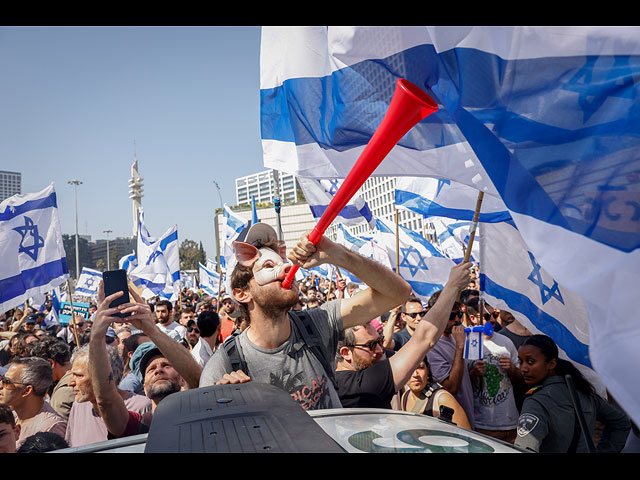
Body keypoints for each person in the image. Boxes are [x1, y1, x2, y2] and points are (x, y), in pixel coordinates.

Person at [200, 223, 412, 411]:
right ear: (241, 294)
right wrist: (224, 406)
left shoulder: (318, 323)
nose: (285, 269)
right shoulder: (224, 365)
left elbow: (397, 293)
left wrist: (339, 255)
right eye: (267, 266)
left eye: (281, 261)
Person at [335, 263, 471, 410]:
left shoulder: (335, 372)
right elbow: (424, 338)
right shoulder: (360, 385)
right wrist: (452, 286)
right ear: (346, 353)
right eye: (371, 345)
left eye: (379, 341)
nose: (380, 350)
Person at [86, 281, 202, 439]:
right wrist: (97, 336)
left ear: (182, 379)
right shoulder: (136, 426)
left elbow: (196, 378)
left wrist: (151, 329)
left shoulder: (198, 410)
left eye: (166, 365)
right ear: (144, 388)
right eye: (150, 370)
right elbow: (106, 401)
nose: (158, 370)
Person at [514, 334, 631, 453]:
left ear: (552, 364)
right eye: (520, 361)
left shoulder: (536, 401)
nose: (523, 368)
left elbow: (523, 449)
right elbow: (622, 423)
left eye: (530, 361)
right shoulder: (582, 391)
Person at [64, 343, 151, 447]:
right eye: (72, 375)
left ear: (105, 377)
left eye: (78, 375)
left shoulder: (141, 406)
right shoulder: (79, 406)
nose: (70, 383)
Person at [465, 297, 521, 443]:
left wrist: (512, 369)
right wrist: (474, 373)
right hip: (483, 425)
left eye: (494, 315)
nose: (492, 320)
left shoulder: (506, 342)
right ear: (472, 318)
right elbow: (462, 385)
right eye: (486, 316)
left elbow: (520, 379)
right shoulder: (468, 343)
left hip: (511, 423)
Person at [425, 290, 476, 429]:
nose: (457, 320)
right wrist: (460, 347)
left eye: (459, 314)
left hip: (469, 417)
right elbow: (451, 387)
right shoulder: (431, 345)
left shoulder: (454, 336)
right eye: (451, 315)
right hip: (452, 425)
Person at [0, 357, 67, 449]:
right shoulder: (13, 414)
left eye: (7, 382)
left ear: (27, 390)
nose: (1, 385)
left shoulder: (51, 427)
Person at [399, 357, 471, 430]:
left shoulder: (442, 399)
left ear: (428, 371)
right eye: (410, 368)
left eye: (420, 367)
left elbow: (467, 435)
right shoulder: (405, 397)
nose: (415, 374)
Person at [26, 337, 75, 421]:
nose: (38, 375)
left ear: (50, 363)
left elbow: (61, 428)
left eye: (38, 370)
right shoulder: (83, 376)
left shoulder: (64, 391)